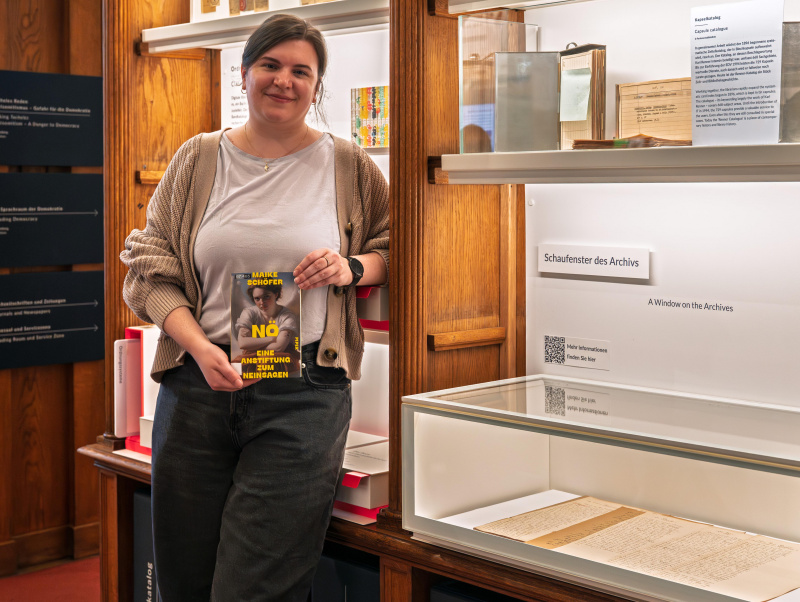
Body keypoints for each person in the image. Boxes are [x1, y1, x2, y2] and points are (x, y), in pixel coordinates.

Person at [119, 13, 388, 602]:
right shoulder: (198, 159)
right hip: (196, 389)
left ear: (317, 86)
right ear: (244, 73)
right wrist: (196, 347)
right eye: (270, 65)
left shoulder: (351, 167)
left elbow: (390, 250)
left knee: (256, 588)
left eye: (301, 71)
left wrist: (353, 268)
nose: (283, 81)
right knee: (183, 582)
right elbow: (149, 269)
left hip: (303, 398)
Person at [235, 283, 298, 353]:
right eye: (257, 299)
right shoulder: (248, 313)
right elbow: (242, 344)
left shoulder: (287, 316)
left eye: (266, 297)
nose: (261, 302)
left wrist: (251, 346)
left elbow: (278, 348)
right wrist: (271, 338)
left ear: (276, 295)